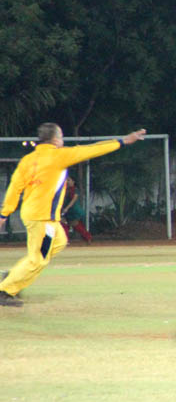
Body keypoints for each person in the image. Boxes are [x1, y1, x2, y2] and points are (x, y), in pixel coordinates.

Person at [0, 123, 146, 306]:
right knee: (39, 259)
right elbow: (91, 150)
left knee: (59, 241)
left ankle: (14, 276)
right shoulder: (58, 156)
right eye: (61, 136)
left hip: (37, 216)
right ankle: (5, 290)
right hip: (42, 219)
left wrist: (4, 214)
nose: (62, 139)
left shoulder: (28, 160)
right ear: (54, 140)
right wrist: (123, 141)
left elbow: (14, 188)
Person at [61, 177, 93, 244]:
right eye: (66, 180)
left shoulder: (75, 190)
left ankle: (88, 237)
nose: (67, 181)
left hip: (73, 211)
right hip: (66, 210)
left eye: (69, 180)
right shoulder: (66, 190)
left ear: (73, 181)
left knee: (76, 225)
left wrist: (67, 208)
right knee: (64, 223)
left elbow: (73, 200)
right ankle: (65, 240)